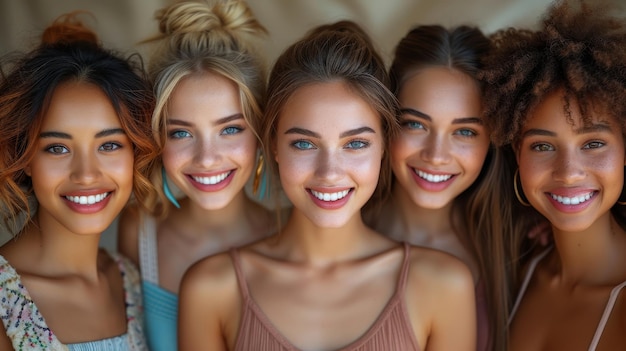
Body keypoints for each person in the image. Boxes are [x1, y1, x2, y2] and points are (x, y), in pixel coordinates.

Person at [178, 20, 476, 351]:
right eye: (304, 144)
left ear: (384, 147)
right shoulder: (211, 288)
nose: (329, 173)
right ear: (273, 144)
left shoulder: (443, 285)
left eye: (356, 144)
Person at [116, 1, 274, 350]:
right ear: (158, 139)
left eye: (230, 129)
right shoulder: (140, 232)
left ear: (261, 132)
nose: (207, 158)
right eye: (181, 133)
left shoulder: (289, 231)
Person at [0, 12, 157, 351]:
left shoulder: (127, 279)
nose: (86, 174)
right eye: (57, 148)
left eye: (110, 145)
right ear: (24, 156)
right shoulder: (3, 301)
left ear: (136, 153)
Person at [481, 1, 626, 349]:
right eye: (542, 147)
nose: (569, 173)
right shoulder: (517, 270)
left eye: (593, 143)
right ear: (517, 154)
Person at [364, 24, 512, 351]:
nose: (436, 155)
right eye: (415, 124)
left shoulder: (516, 247)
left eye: (465, 132)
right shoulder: (333, 232)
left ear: (492, 141)